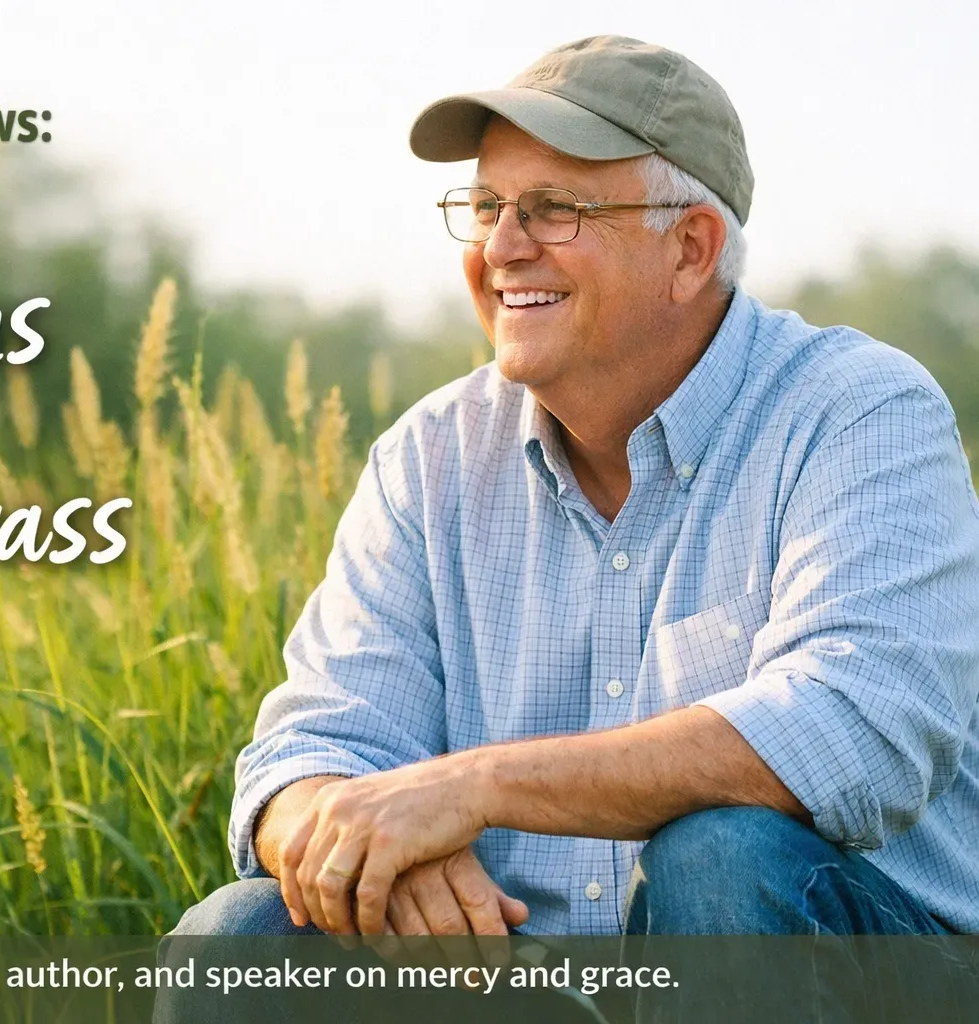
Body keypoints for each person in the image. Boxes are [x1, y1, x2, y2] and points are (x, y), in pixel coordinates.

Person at [172, 33, 979, 952]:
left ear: (689, 248)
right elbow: (303, 758)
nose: (502, 248)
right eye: (484, 208)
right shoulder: (427, 458)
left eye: (553, 210)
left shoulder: (857, 413)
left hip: (849, 973)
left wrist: (466, 788)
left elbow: (854, 730)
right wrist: (365, 830)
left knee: (723, 856)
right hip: (513, 981)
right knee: (238, 934)